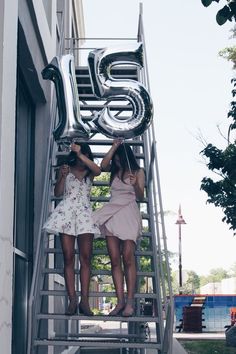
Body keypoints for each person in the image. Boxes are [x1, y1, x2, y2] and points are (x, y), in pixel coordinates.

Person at [43, 142, 101, 316]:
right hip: (66, 212)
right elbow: (58, 192)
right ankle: (72, 299)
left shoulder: (90, 171)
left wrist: (81, 154)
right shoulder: (66, 168)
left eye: (83, 153)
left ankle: (84, 300)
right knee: (68, 256)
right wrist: (62, 176)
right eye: (77, 153)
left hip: (84, 214)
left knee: (85, 258)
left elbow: (98, 170)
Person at [93, 139, 145, 316]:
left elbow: (140, 196)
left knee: (128, 258)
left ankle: (130, 302)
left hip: (129, 213)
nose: (116, 161)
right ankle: (120, 301)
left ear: (125, 157)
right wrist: (114, 146)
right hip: (113, 214)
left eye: (118, 158)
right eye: (115, 158)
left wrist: (136, 183)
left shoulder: (138, 171)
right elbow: (103, 164)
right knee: (115, 259)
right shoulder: (114, 169)